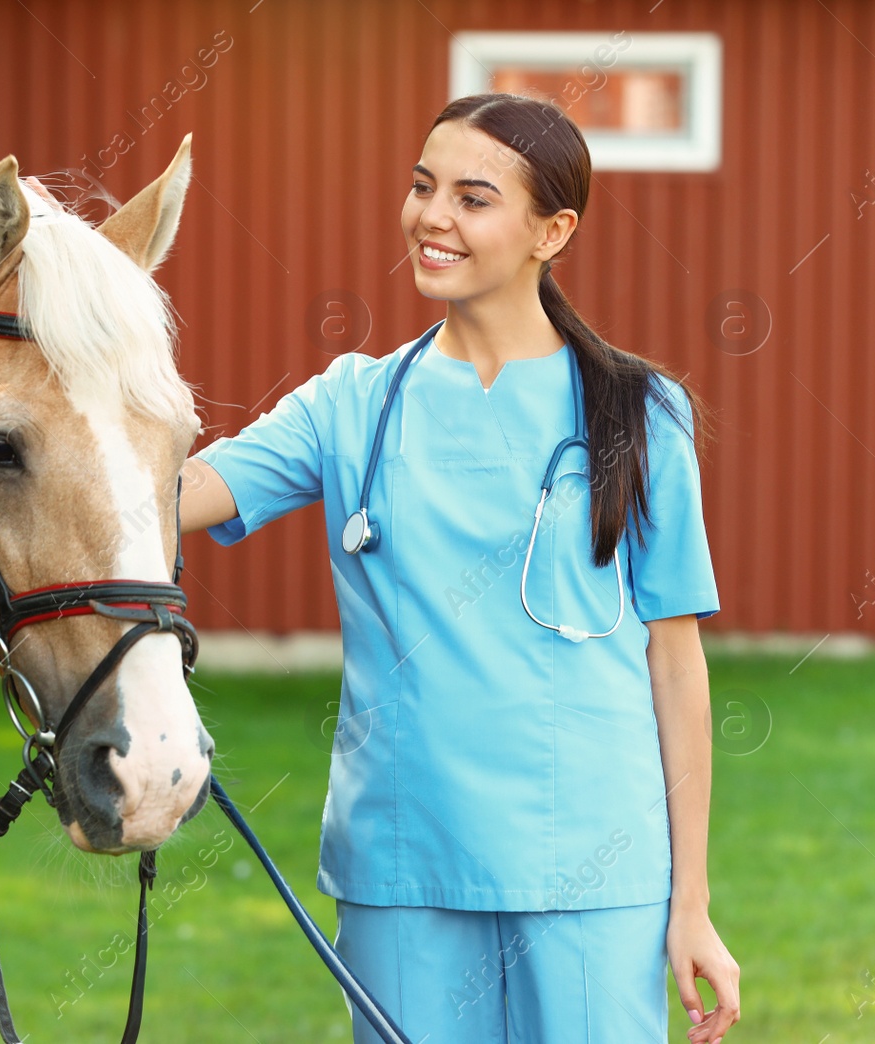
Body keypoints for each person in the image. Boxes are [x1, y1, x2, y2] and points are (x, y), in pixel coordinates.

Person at [180, 92, 741, 1044]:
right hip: (406, 864)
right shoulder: (350, 405)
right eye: (421, 186)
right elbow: (170, 498)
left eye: (472, 198)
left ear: (551, 231)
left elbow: (676, 664)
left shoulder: (639, 413)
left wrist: (690, 901)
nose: (432, 217)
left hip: (591, 866)